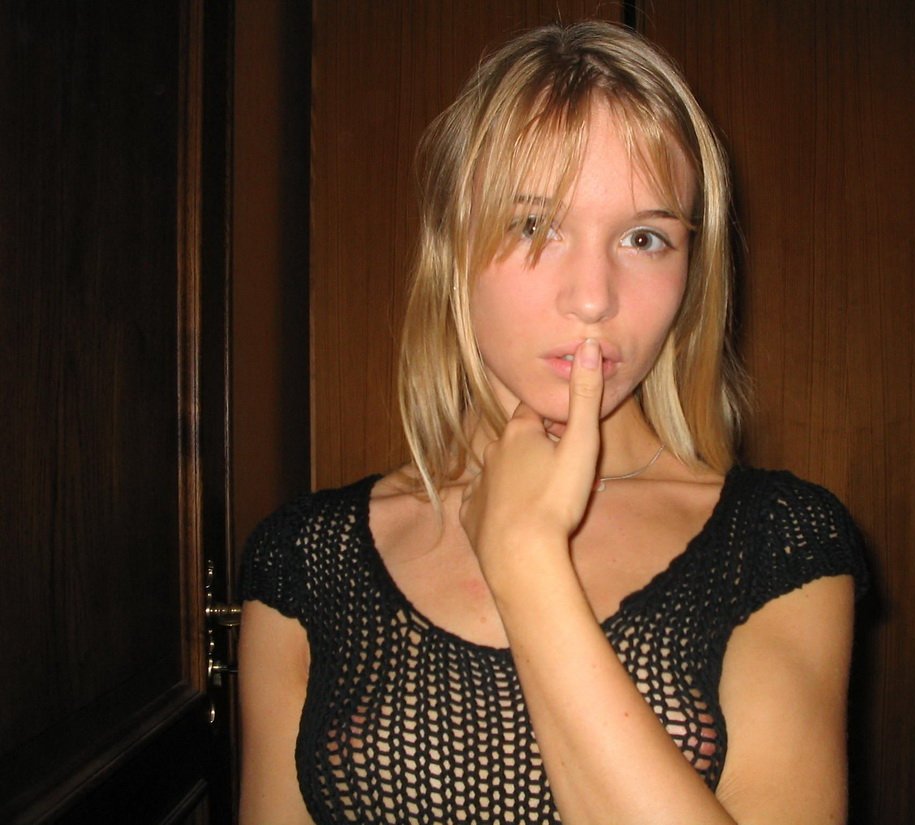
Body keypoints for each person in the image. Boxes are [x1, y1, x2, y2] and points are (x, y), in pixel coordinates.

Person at [237, 20, 866, 825]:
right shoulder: (303, 560)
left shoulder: (779, 545)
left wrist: (526, 559)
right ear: (451, 243)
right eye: (534, 225)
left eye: (645, 237)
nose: (593, 297)